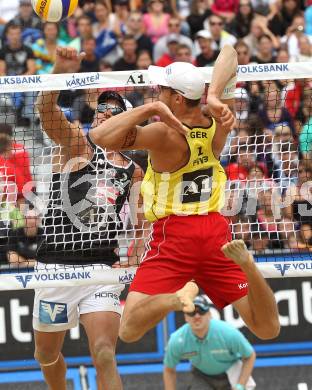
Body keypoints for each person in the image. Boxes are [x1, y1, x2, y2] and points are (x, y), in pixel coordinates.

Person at [88, 44, 280, 342]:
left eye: (161, 90)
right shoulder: (218, 121)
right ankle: (249, 267)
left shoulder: (163, 133)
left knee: (127, 331)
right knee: (268, 329)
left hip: (175, 234)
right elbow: (229, 51)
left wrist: (150, 109)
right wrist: (214, 96)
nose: (157, 93)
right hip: (217, 232)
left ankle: (177, 299)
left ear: (176, 99)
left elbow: (98, 136)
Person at [33, 47, 145, 390]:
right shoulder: (78, 144)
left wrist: (135, 260)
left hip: (101, 270)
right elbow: (45, 110)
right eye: (101, 108)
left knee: (104, 352)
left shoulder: (135, 170)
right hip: (56, 268)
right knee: (46, 355)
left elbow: (141, 225)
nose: (104, 113)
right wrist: (59, 71)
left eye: (113, 111)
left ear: (127, 125)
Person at [163, 295, 256, 390]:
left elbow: (250, 355)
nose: (197, 316)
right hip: (202, 376)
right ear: (186, 317)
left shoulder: (228, 333)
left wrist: (240, 385)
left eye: (201, 311)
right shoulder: (177, 340)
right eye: (191, 313)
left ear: (209, 315)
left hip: (231, 371)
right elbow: (169, 369)